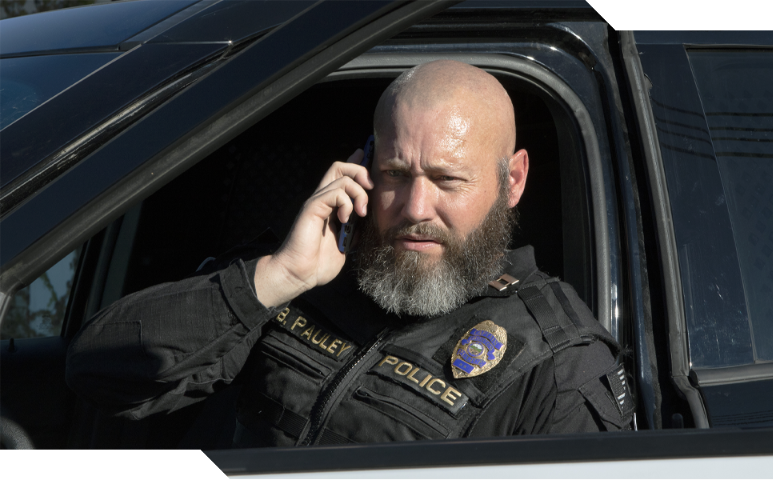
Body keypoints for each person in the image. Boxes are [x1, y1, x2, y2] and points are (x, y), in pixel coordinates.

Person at [66, 60, 634, 447]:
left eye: (448, 180)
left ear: (511, 181)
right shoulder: (301, 270)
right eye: (394, 173)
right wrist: (277, 277)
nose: (415, 206)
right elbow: (98, 369)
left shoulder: (554, 362)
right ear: (361, 165)